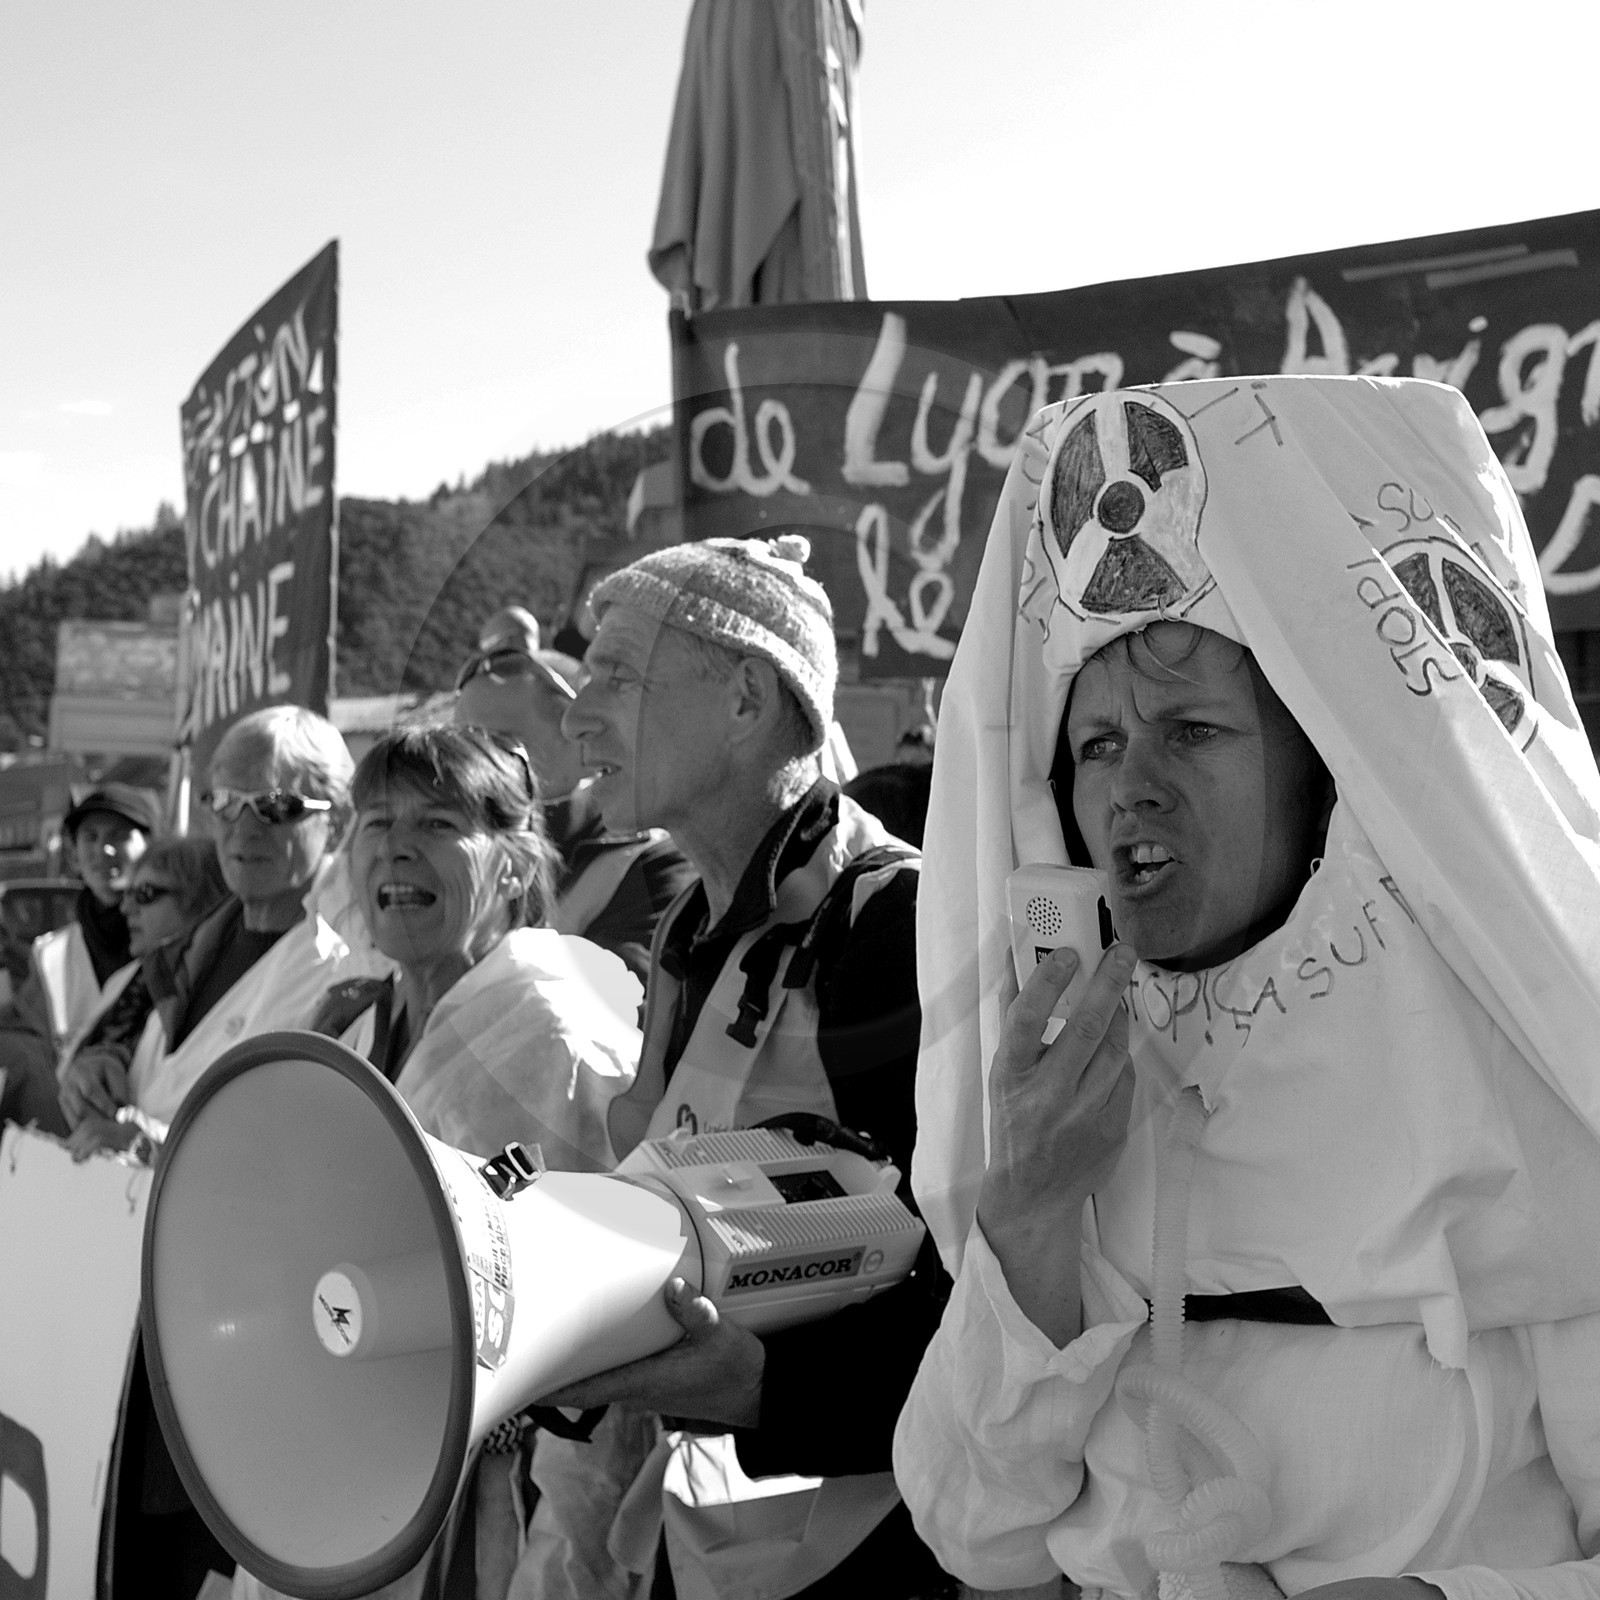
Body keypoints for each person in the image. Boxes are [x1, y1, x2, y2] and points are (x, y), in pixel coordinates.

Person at [896, 375, 1600, 1599]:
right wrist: (1031, 1209)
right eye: (1097, 745)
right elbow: (976, 1531)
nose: (1130, 791)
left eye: (1193, 731)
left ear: (1340, 772)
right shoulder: (1077, 1087)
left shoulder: (1536, 1088)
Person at [515, 533, 947, 1600]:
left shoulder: (895, 928)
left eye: (615, 674)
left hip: (880, 1558)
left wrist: (764, 1386)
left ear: (748, 696)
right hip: (699, 1534)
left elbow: (987, 1301)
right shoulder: (685, 929)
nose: (575, 713)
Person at [232, 720, 642, 1600]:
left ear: (515, 864)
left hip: (496, 1514)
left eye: (437, 825)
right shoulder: (350, 1025)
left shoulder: (562, 1041)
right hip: (347, 1479)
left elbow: (614, 1330)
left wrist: (565, 1563)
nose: (396, 852)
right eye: (376, 825)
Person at [59, 705, 387, 1151]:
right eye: (227, 803)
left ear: (339, 823)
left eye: (274, 807)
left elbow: (309, 1145)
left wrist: (152, 1147)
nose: (244, 829)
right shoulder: (190, 944)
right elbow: (165, 1070)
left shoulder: (356, 971)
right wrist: (103, 1069)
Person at [455, 629, 695, 989]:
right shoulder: (441, 847)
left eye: (497, 745)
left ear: (585, 746)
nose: (467, 767)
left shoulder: (654, 869)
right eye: (459, 746)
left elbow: (613, 1019)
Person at [0, 782, 158, 1133]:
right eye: (90, 837)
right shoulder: (50, 954)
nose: (103, 850)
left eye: (119, 835)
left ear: (150, 845)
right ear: (73, 854)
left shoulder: (176, 947)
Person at [59, 835, 227, 1160]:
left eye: (146, 894)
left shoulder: (217, 986)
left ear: (203, 902)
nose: (126, 907)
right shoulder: (126, 980)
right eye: (128, 892)